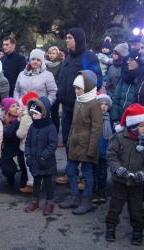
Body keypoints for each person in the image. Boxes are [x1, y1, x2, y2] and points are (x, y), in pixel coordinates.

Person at [56, 27, 102, 185]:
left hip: (82, 108)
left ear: (78, 39)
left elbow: (97, 80)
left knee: (83, 142)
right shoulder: (68, 57)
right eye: (66, 37)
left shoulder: (89, 57)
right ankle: (71, 174)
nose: (66, 40)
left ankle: (84, 176)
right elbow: (63, 78)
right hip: (67, 109)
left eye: (69, 37)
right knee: (69, 142)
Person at [59, 70, 102, 215]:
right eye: (75, 88)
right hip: (75, 144)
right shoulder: (79, 101)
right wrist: (70, 140)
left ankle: (87, 200)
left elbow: (97, 129)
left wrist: (91, 149)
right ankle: (74, 196)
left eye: (79, 88)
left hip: (87, 145)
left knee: (87, 172)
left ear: (88, 87)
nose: (76, 91)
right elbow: (73, 124)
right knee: (70, 170)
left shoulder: (94, 104)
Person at [105, 103, 144, 246]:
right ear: (133, 126)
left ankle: (138, 231)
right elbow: (111, 155)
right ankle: (110, 227)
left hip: (137, 183)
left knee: (136, 208)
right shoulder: (119, 137)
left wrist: (142, 174)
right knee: (115, 206)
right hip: (120, 181)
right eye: (141, 125)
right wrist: (118, 168)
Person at [24, 96, 58, 215]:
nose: (33, 116)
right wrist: (27, 155)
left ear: (43, 113)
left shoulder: (50, 127)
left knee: (49, 183)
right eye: (32, 113)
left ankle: (50, 202)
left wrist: (44, 156)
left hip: (46, 162)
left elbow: (53, 144)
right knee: (36, 182)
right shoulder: (33, 126)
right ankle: (35, 201)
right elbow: (27, 141)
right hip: (34, 161)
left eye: (36, 114)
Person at [0, 97, 27, 187]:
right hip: (8, 151)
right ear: (8, 110)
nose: (16, 108)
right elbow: (8, 134)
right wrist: (18, 121)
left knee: (24, 164)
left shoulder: (24, 118)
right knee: (8, 171)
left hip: (21, 150)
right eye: (13, 106)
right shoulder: (3, 121)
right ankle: (10, 176)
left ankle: (24, 176)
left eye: (17, 106)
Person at [111, 50, 143, 125]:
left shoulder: (141, 79)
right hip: (119, 119)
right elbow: (116, 98)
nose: (128, 62)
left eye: (131, 60)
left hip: (135, 121)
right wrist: (115, 119)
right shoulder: (124, 77)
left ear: (138, 62)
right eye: (128, 60)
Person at [16, 92, 38, 193]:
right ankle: (38, 183)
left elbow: (20, 134)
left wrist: (19, 121)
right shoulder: (38, 114)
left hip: (26, 146)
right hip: (37, 145)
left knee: (29, 167)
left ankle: (31, 185)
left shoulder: (26, 117)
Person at [92, 94, 113, 204]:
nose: (104, 106)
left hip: (105, 154)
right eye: (101, 104)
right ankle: (95, 192)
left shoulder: (110, 120)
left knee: (103, 174)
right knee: (94, 173)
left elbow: (112, 139)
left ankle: (102, 192)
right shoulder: (93, 120)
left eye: (106, 104)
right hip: (94, 153)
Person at [46, 46, 63, 133]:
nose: (51, 55)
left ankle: (55, 133)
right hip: (45, 91)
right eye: (50, 53)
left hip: (55, 91)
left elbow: (60, 79)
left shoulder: (60, 64)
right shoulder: (45, 64)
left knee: (54, 113)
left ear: (57, 54)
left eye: (53, 53)